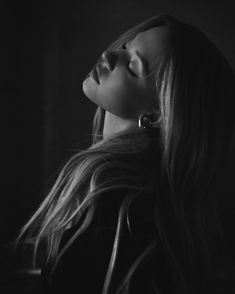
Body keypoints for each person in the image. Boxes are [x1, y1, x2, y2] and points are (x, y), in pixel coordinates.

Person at [16, 14, 235, 294]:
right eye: (125, 46)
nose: (108, 56)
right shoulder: (128, 199)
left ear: (156, 114)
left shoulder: (122, 213)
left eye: (132, 66)